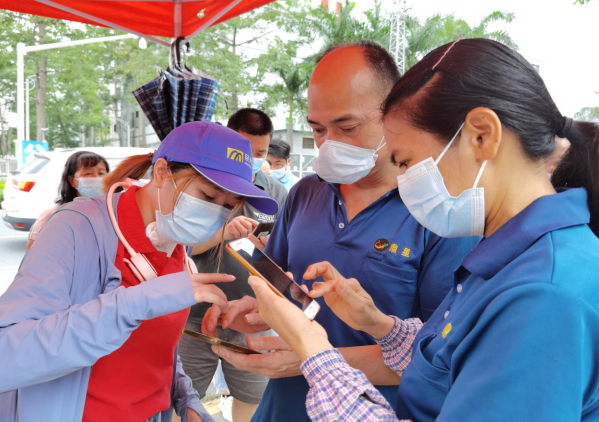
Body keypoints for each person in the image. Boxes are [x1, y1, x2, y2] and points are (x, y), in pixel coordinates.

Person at [245, 38, 599, 422]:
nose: (405, 183)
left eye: (407, 162)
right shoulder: (508, 260)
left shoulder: (542, 296)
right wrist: (380, 325)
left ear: (481, 136)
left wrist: (315, 353)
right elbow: (445, 360)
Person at [203, 41, 479, 422]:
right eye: (317, 129)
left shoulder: (438, 211)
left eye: (347, 127)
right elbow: (290, 291)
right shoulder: (305, 193)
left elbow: (443, 358)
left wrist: (311, 358)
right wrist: (261, 312)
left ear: (394, 114)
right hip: (283, 405)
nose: (329, 143)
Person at [0, 121, 278, 422]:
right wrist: (138, 302)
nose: (215, 215)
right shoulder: (77, 228)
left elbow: (155, 350)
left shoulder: (175, 242)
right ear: (162, 172)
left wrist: (186, 399)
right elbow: (9, 355)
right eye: (208, 197)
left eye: (230, 205)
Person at [179, 109, 287, 422]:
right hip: (193, 318)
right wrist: (221, 233)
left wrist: (270, 249)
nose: (251, 160)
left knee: (253, 400)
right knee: (183, 399)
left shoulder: (276, 193)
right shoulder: (202, 188)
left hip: (251, 317)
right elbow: (178, 246)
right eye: (244, 151)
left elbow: (286, 255)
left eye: (260, 153)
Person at [26, 151, 110, 251]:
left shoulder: (111, 213)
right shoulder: (54, 214)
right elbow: (32, 253)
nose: (96, 178)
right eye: (88, 173)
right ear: (72, 181)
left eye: (101, 173)